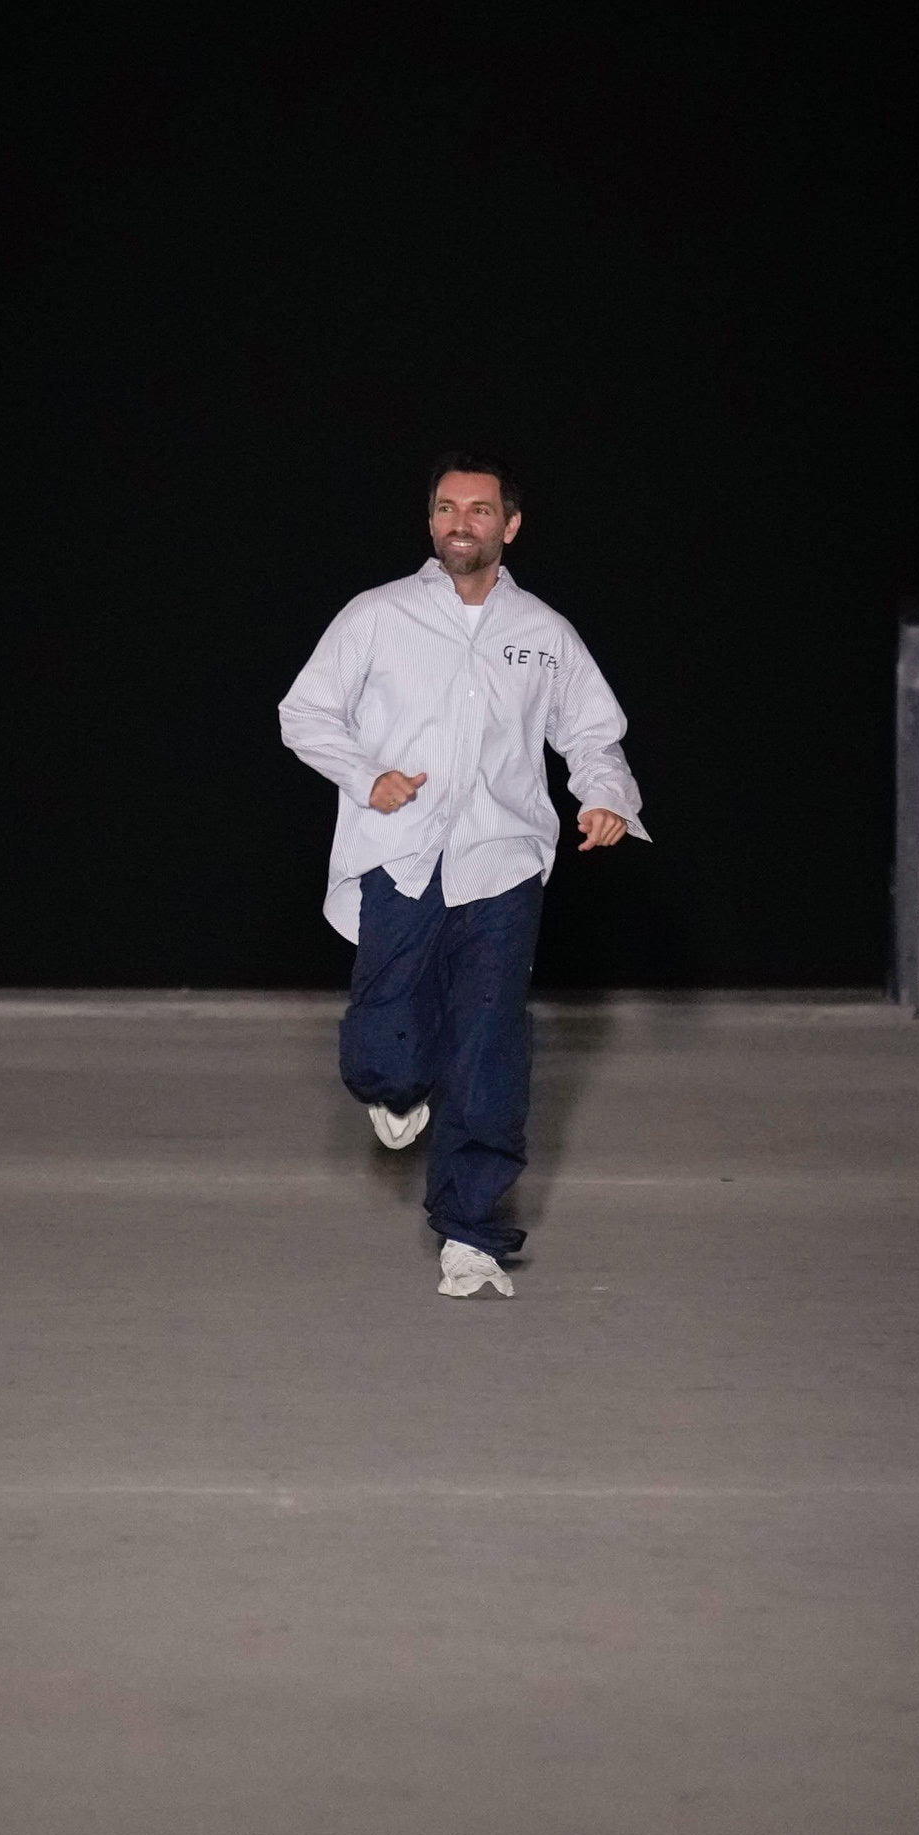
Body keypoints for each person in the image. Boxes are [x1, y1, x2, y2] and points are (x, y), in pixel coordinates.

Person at [278, 455, 648, 1299]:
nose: (459, 522)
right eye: (446, 508)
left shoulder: (542, 632)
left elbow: (592, 735)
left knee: (489, 1042)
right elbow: (304, 712)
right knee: (384, 1045)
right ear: (430, 522)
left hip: (501, 861)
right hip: (400, 853)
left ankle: (470, 1231)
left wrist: (604, 798)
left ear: (508, 526)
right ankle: (396, 1085)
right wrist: (365, 775)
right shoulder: (378, 615)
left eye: (478, 510)